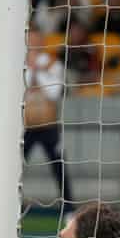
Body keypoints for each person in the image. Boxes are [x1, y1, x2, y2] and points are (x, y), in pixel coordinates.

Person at [24, 29, 73, 215]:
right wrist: (32, 72)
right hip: (26, 126)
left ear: (42, 41)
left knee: (59, 167)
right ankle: (9, 206)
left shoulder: (54, 64)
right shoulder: (19, 63)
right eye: (30, 39)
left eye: (36, 39)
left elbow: (54, 93)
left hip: (49, 126)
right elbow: (20, 88)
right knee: (15, 168)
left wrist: (37, 71)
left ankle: (69, 210)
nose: (33, 43)